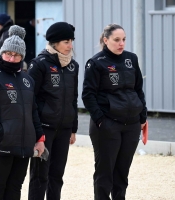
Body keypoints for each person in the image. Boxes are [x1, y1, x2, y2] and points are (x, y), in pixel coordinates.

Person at [0, 25, 45, 200]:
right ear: (2, 53)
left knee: (15, 188)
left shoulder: (27, 79)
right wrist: (2, 134)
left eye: (17, 55)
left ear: (22, 56)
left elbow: (33, 111)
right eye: (9, 54)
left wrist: (39, 138)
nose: (12, 59)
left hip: (23, 144)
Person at [81, 23, 147, 200]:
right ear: (105, 40)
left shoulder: (131, 59)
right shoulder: (95, 63)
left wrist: (143, 117)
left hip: (131, 125)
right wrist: (101, 120)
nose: (121, 44)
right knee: (104, 173)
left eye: (124, 39)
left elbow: (138, 90)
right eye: (117, 40)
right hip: (107, 125)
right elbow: (88, 95)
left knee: (122, 173)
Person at [28, 22, 79, 200]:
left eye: (71, 41)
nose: (70, 45)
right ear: (55, 43)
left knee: (57, 176)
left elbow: (74, 98)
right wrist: (36, 132)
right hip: (44, 129)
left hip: (64, 130)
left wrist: (73, 128)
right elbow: (30, 100)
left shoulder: (73, 66)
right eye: (66, 41)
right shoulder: (39, 64)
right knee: (39, 176)